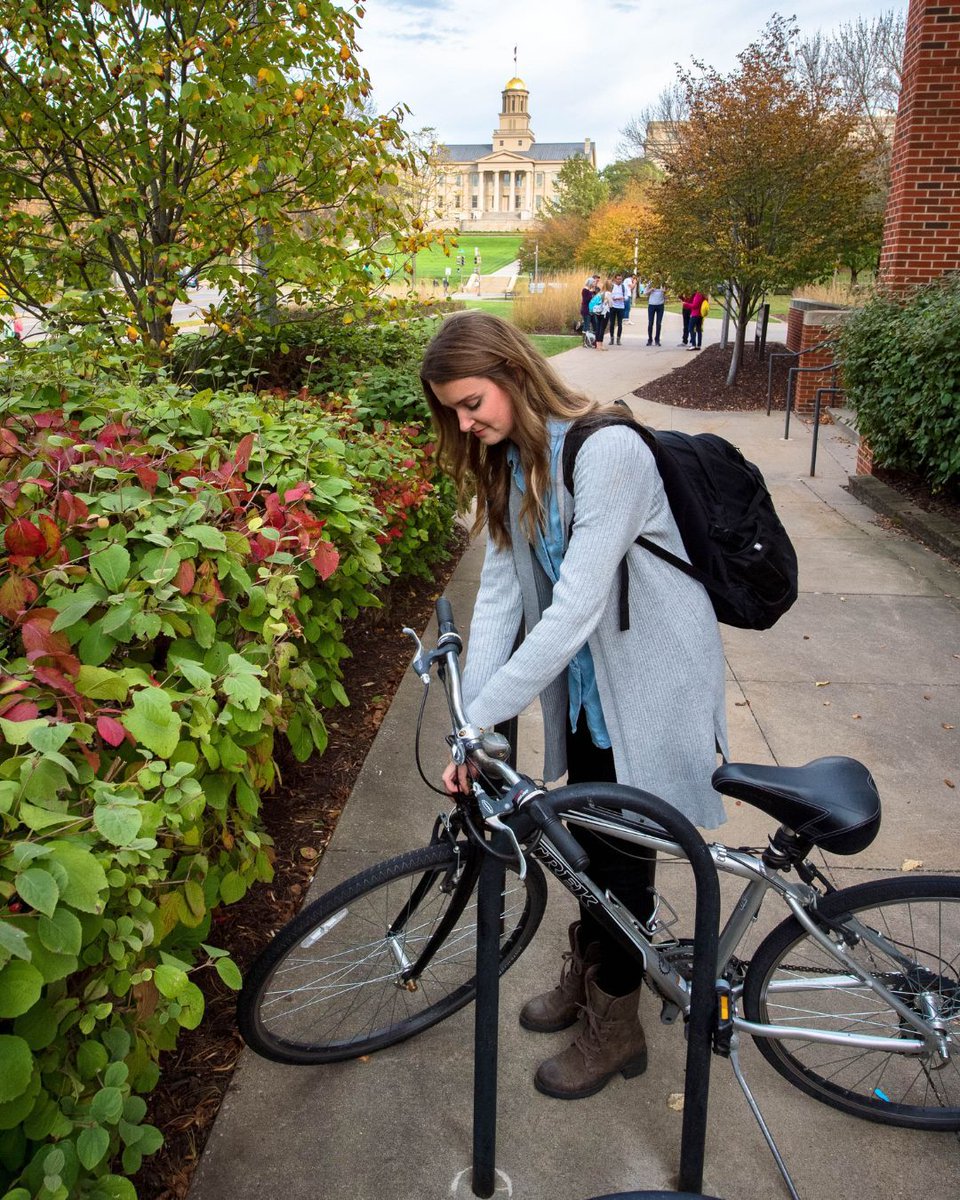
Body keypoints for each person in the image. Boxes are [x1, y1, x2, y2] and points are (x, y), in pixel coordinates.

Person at [419, 311, 728, 1101]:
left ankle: (617, 1027)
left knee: (623, 859)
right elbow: (497, 600)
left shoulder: (609, 450)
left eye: (471, 401)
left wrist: (487, 710)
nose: (465, 422)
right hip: (593, 688)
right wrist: (474, 727)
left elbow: (575, 607)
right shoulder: (514, 461)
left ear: (515, 374)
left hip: (651, 683)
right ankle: (592, 975)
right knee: (588, 839)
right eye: (452, 410)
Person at [645, 279, 665, 346]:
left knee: (658, 323)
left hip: (660, 305)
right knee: (650, 323)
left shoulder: (663, 283)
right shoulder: (650, 282)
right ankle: (650, 339)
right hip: (652, 305)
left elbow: (667, 295)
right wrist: (650, 290)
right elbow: (645, 293)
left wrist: (664, 292)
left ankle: (657, 340)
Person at [608, 273, 626, 344]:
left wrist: (624, 298)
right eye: (618, 279)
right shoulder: (612, 286)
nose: (619, 280)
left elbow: (627, 296)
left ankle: (618, 339)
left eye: (620, 279)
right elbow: (609, 296)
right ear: (615, 279)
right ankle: (612, 338)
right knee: (612, 323)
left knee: (620, 323)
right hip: (613, 306)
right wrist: (615, 298)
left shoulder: (623, 287)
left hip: (621, 307)